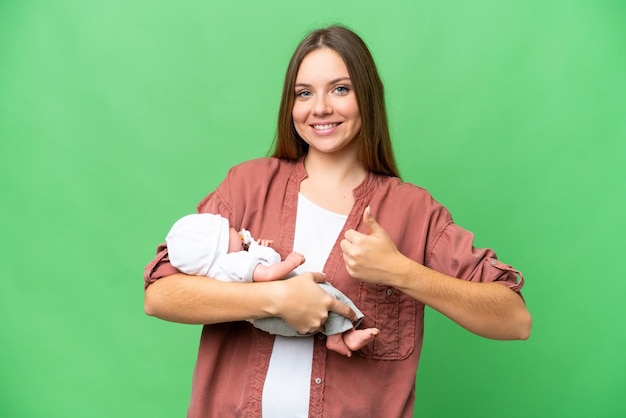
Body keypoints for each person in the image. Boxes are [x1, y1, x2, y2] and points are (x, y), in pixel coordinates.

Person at [144, 25, 532, 418]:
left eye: (341, 89)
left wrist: (402, 271)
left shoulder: (414, 212)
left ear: (368, 96)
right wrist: (275, 298)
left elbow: (515, 320)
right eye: (304, 93)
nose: (321, 108)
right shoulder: (248, 185)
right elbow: (160, 295)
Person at [165, 212, 380, 356]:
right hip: (274, 315)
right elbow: (267, 274)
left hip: (268, 318)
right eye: (230, 229)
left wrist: (259, 249)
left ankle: (344, 335)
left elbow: (257, 268)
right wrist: (291, 262)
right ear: (220, 247)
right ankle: (339, 338)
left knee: (326, 301)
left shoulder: (225, 266)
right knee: (327, 299)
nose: (237, 230)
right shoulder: (233, 262)